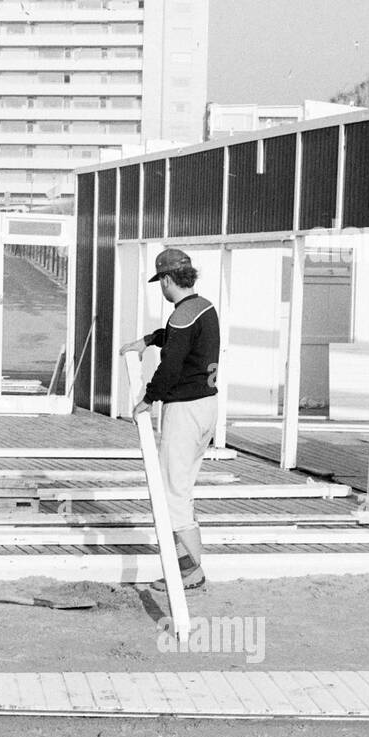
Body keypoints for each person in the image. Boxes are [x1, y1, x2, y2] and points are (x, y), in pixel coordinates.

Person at [120, 247, 220, 591]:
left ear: (166, 280)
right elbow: (178, 338)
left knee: (171, 493)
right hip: (207, 406)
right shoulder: (204, 308)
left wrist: (147, 398)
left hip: (186, 410)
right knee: (183, 490)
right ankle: (189, 568)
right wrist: (148, 340)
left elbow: (171, 365)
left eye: (159, 282)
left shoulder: (182, 316)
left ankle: (189, 572)